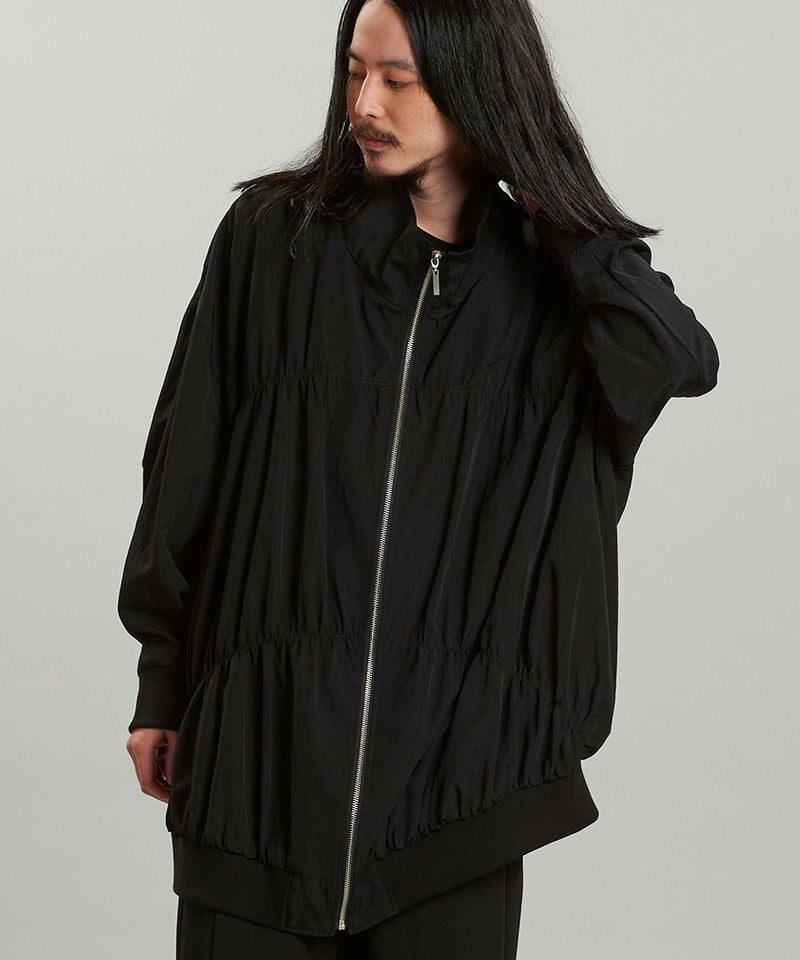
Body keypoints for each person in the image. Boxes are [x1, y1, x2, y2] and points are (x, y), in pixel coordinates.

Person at [117, 1, 720, 957]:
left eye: (399, 79)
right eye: (355, 71)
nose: (364, 103)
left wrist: (557, 211)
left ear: (481, 86)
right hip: (259, 773)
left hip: (455, 798)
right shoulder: (271, 242)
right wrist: (163, 680)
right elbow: (185, 465)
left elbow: (675, 357)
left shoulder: (555, 291)